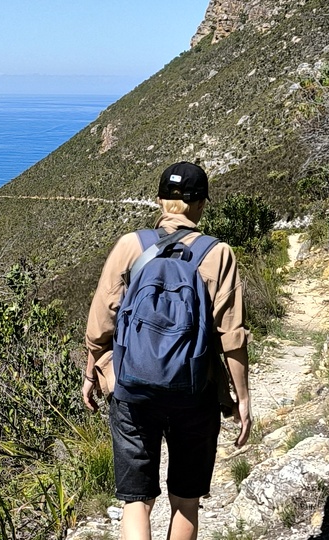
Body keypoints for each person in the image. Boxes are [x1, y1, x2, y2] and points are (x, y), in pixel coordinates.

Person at [81, 161, 252, 540]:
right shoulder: (218, 254)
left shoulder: (130, 245)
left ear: (160, 200)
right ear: (201, 204)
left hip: (132, 388)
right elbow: (232, 336)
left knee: (136, 502)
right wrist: (241, 398)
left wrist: (92, 372)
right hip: (195, 391)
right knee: (186, 501)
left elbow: (101, 322)